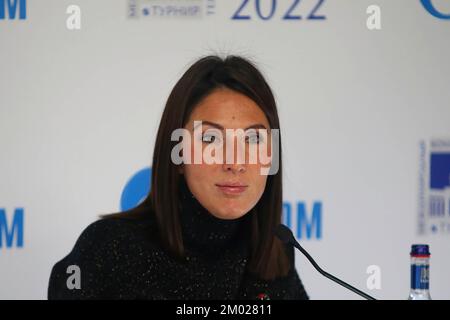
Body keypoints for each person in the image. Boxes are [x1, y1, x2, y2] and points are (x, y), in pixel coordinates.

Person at [47, 55, 309, 300]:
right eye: (211, 139)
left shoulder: (276, 253)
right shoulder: (107, 250)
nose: (235, 162)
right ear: (178, 154)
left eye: (253, 139)